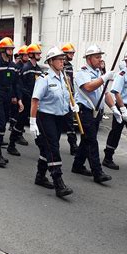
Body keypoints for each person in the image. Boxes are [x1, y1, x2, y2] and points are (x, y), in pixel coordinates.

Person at [30, 47, 77, 197]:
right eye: (59, 59)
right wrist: (32, 122)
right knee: (53, 148)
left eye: (63, 59)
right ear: (51, 62)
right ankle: (58, 182)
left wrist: (72, 105)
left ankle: (40, 176)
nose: (62, 62)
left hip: (59, 118)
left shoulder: (63, 77)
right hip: (46, 117)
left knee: (47, 148)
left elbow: (65, 96)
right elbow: (35, 101)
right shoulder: (44, 79)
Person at [71, 44, 117, 184]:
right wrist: (104, 78)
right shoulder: (82, 72)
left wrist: (114, 108)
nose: (100, 59)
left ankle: (77, 165)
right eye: (97, 57)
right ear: (89, 59)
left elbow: (106, 93)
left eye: (100, 57)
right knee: (91, 141)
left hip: (97, 112)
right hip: (85, 111)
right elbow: (88, 87)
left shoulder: (98, 73)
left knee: (86, 140)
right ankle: (98, 172)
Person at [0, 37, 23, 168]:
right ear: (2, 50)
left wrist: (18, 99)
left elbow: (16, 84)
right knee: (0, 124)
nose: (11, 51)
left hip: (8, 97)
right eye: (9, 49)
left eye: (12, 49)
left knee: (3, 123)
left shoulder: (13, 66)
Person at [9, 43, 42, 151]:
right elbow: (19, 85)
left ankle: (43, 146)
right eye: (37, 53)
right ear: (31, 54)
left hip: (34, 101)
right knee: (20, 123)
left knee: (38, 124)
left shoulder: (38, 69)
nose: (39, 55)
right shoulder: (26, 68)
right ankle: (11, 144)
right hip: (26, 100)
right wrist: (19, 99)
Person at [61, 43, 79, 155]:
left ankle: (73, 145)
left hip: (69, 98)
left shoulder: (70, 67)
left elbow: (71, 83)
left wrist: (74, 98)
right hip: (60, 98)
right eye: (70, 53)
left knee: (70, 123)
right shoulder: (60, 65)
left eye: (73, 53)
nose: (72, 55)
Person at [9, 45, 28, 132]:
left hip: (24, 93)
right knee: (15, 112)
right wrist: (14, 95)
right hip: (16, 93)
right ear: (21, 56)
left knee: (21, 113)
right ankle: (13, 127)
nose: (27, 57)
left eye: (28, 55)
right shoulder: (17, 66)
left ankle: (18, 128)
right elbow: (13, 82)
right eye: (25, 55)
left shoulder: (27, 66)